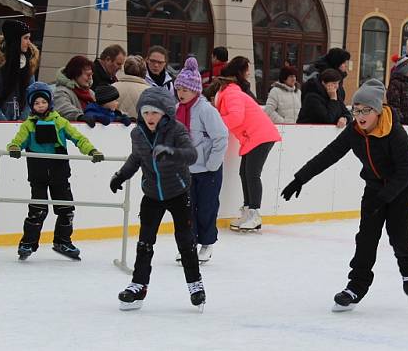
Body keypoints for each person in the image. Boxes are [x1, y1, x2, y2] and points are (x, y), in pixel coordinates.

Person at [280, 79, 408, 312]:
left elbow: (405, 172)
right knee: (366, 238)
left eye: (366, 110)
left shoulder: (394, 132)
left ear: (377, 110)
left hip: (404, 186)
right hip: (374, 186)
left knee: (398, 235)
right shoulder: (354, 131)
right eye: (356, 110)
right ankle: (356, 286)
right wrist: (301, 178)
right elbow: (330, 154)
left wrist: (384, 198)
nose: (360, 115)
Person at [110, 87, 204, 311]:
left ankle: (195, 285)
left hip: (178, 193)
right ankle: (138, 285)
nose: (150, 117)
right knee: (144, 243)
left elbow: (192, 155)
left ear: (165, 113)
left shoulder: (177, 130)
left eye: (155, 113)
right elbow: (136, 158)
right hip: (152, 194)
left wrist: (170, 152)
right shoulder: (137, 133)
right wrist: (121, 175)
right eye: (146, 113)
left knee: (186, 242)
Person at [6, 82, 104, 261]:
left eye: (43, 102)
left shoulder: (60, 122)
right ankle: (28, 242)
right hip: (38, 173)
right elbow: (18, 141)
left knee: (66, 209)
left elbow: (78, 137)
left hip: (59, 172)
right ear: (31, 106)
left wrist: (91, 150)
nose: (40, 106)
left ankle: (62, 241)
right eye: (36, 103)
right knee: (38, 210)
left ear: (50, 102)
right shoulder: (29, 125)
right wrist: (14, 147)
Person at [206, 56, 282, 232]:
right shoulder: (229, 92)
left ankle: (254, 214)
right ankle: (248, 211)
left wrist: (213, 122)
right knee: (244, 174)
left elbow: (235, 117)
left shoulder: (231, 93)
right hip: (253, 136)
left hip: (261, 135)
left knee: (252, 174)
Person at [173, 57, 228, 264]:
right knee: (186, 210)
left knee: (206, 208)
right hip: (186, 170)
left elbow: (221, 137)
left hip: (208, 170)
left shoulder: (206, 110)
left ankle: (207, 243)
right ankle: (189, 244)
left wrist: (212, 164)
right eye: (179, 89)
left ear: (196, 90)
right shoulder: (177, 110)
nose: (181, 93)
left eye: (185, 89)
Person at [0, 19, 39, 120]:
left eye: (29, 38)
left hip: (21, 121)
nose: (29, 42)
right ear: (15, 39)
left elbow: (31, 94)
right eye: (25, 38)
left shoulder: (29, 61)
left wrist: (22, 119)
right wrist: (3, 121)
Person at [53, 55, 95, 122]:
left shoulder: (91, 93)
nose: (90, 78)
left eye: (91, 75)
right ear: (76, 74)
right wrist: (79, 116)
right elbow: (63, 109)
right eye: (88, 75)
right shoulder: (61, 92)